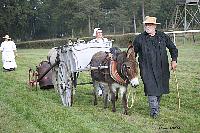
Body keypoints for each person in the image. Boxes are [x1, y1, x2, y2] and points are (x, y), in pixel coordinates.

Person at [133, 16, 178, 118]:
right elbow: (133, 53)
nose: (147, 26)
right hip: (147, 68)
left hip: (162, 67)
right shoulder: (139, 39)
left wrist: (174, 60)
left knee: (160, 88)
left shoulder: (162, 36)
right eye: (146, 25)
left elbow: (173, 48)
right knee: (151, 88)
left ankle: (156, 105)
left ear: (154, 26)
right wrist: (131, 64)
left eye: (149, 25)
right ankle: (154, 111)